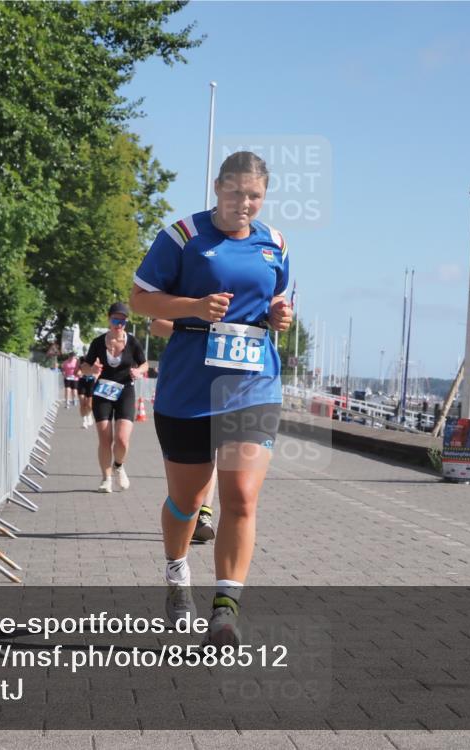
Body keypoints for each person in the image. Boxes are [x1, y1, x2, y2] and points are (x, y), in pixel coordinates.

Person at [130, 151, 292, 647]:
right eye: (236, 192)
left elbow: (275, 299)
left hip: (252, 384)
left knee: (240, 495)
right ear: (218, 187)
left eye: (255, 196)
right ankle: (177, 575)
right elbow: (140, 299)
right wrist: (196, 307)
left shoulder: (275, 243)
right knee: (188, 499)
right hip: (189, 388)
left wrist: (280, 315)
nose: (245, 203)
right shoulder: (183, 236)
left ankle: (225, 611)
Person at [150, 318, 216, 543]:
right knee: (185, 496)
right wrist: (197, 328)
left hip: (233, 387)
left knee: (216, 454)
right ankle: (178, 549)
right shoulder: (187, 298)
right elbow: (156, 325)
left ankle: (205, 514)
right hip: (187, 389)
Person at [80, 302, 148, 492]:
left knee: (122, 439)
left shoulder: (132, 342)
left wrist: (138, 371)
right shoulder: (98, 342)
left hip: (125, 390)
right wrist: (92, 369)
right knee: (105, 439)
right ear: (109, 320)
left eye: (123, 321)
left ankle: (118, 465)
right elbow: (84, 367)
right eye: (115, 320)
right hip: (103, 391)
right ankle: (106, 479)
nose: (119, 324)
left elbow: (144, 364)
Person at [76, 360, 96, 429]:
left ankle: (89, 415)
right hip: (82, 381)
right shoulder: (80, 359)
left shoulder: (95, 358)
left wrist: (96, 375)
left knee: (89, 405)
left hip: (91, 381)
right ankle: (84, 421)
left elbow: (99, 370)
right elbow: (76, 371)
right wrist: (78, 372)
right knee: (82, 403)